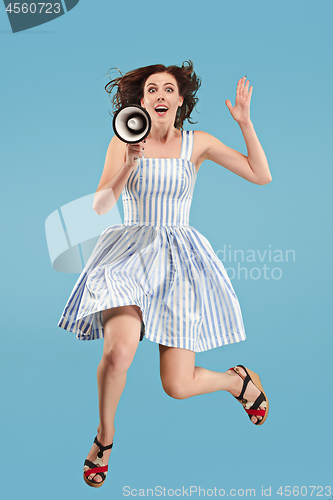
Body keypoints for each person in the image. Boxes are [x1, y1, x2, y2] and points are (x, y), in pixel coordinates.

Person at [57, 60, 272, 488]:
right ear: (141, 101)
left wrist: (246, 124)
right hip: (126, 255)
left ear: (179, 100)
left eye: (167, 89)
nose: (159, 95)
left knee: (176, 384)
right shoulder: (122, 141)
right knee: (117, 354)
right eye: (151, 89)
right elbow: (100, 207)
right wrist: (128, 165)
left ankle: (237, 381)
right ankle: (104, 437)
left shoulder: (198, 143)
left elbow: (260, 175)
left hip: (177, 262)